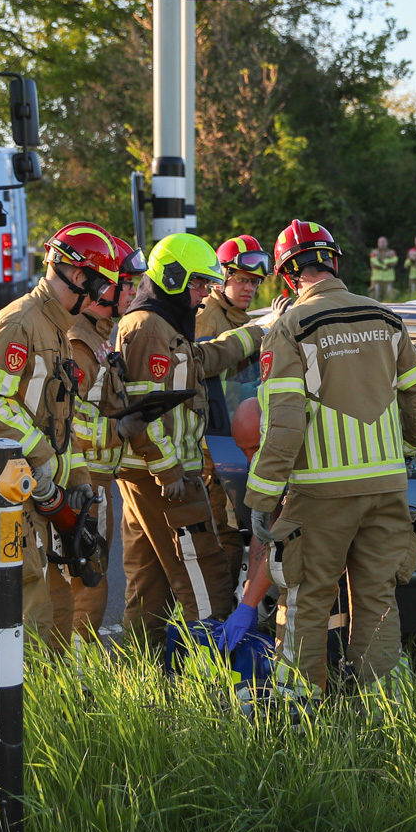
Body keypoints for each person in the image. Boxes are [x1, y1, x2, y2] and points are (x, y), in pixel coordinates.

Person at [220, 220, 416, 696]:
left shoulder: (289, 328)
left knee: (305, 600)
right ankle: (386, 709)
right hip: (387, 489)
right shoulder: (387, 319)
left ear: (286, 276)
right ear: (334, 262)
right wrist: (403, 450)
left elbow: (284, 426)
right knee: (379, 600)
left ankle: (300, 712)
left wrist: (261, 498)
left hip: (320, 495)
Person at [0, 221, 123, 651]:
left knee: (57, 603)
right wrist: (42, 459)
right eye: (97, 284)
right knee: (27, 597)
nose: (100, 296)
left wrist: (79, 485)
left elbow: (59, 422)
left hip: (38, 487)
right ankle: (21, 708)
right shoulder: (20, 322)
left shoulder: (57, 328)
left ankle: (53, 699)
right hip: (7, 486)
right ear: (76, 273)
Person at [117, 233, 262, 649]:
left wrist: (259, 332)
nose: (203, 295)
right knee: (206, 571)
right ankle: (217, 675)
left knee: (151, 580)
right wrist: (170, 470)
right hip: (165, 475)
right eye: (198, 283)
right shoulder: (147, 328)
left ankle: (144, 673)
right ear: (173, 277)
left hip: (151, 473)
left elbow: (203, 360)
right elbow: (142, 410)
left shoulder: (165, 326)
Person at [53, 237, 144, 643]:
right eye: (127, 284)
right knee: (86, 579)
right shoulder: (79, 342)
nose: (135, 293)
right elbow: (66, 420)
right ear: (103, 289)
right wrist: (116, 430)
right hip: (83, 480)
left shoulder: (99, 333)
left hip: (97, 478)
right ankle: (79, 679)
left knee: (89, 576)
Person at [197, 235, 272, 596]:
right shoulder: (207, 319)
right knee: (221, 540)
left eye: (255, 282)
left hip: (230, 438)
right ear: (221, 277)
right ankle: (219, 621)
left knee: (231, 536)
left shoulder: (236, 316)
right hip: (210, 449)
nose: (249, 288)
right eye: (242, 279)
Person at [367, 235, 400, 302]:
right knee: (375, 298)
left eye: (383, 242)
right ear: (378, 243)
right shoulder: (374, 252)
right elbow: (374, 262)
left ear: (387, 243)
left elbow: (394, 261)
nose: (382, 244)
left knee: (389, 298)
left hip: (388, 279)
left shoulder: (392, 252)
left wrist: (385, 262)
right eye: (380, 242)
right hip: (376, 279)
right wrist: (384, 265)